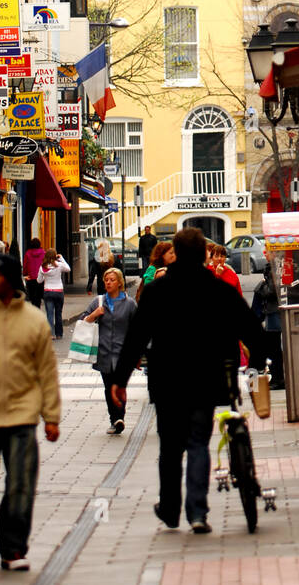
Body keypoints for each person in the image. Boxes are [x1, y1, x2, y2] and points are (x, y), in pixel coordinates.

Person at [111, 227, 267, 534]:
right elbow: (252, 331)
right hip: (207, 381)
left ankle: (170, 509)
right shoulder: (219, 290)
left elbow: (137, 336)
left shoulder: (157, 291)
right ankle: (197, 512)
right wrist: (258, 366)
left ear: (177, 254)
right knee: (198, 443)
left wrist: (120, 379)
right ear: (205, 254)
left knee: (170, 447)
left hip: (168, 381)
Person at [0, 251, 60, 570]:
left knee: (21, 484)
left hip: (22, 417)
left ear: (8, 280)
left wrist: (51, 417)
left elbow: (46, 372)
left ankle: (12, 548)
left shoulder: (33, 320)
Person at [81, 267, 137, 435]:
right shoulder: (98, 302)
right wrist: (94, 315)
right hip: (104, 352)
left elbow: (137, 329)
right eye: (106, 280)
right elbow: (82, 321)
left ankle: (120, 417)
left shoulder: (129, 303)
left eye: (112, 280)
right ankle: (114, 419)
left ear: (119, 283)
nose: (108, 283)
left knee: (120, 385)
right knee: (108, 387)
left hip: (122, 353)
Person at [250, 256, 284, 389]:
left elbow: (271, 291)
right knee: (273, 347)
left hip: (272, 311)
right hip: (271, 311)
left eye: (268, 249)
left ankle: (275, 379)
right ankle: (276, 378)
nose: (265, 252)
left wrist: (261, 286)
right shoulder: (274, 267)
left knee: (273, 347)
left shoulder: (273, 268)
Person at [37, 248, 71, 340]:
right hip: (58, 291)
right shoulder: (59, 265)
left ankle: (51, 334)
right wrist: (62, 258)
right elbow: (68, 269)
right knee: (58, 313)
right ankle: (59, 334)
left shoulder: (42, 267)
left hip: (48, 291)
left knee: (49, 314)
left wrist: (45, 277)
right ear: (55, 256)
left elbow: (39, 280)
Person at [22, 239, 46, 308]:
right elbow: (45, 264)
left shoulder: (28, 253)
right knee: (38, 296)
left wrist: (25, 273)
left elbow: (25, 265)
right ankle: (38, 308)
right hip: (40, 278)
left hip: (31, 278)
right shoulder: (43, 253)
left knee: (32, 297)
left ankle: (35, 309)